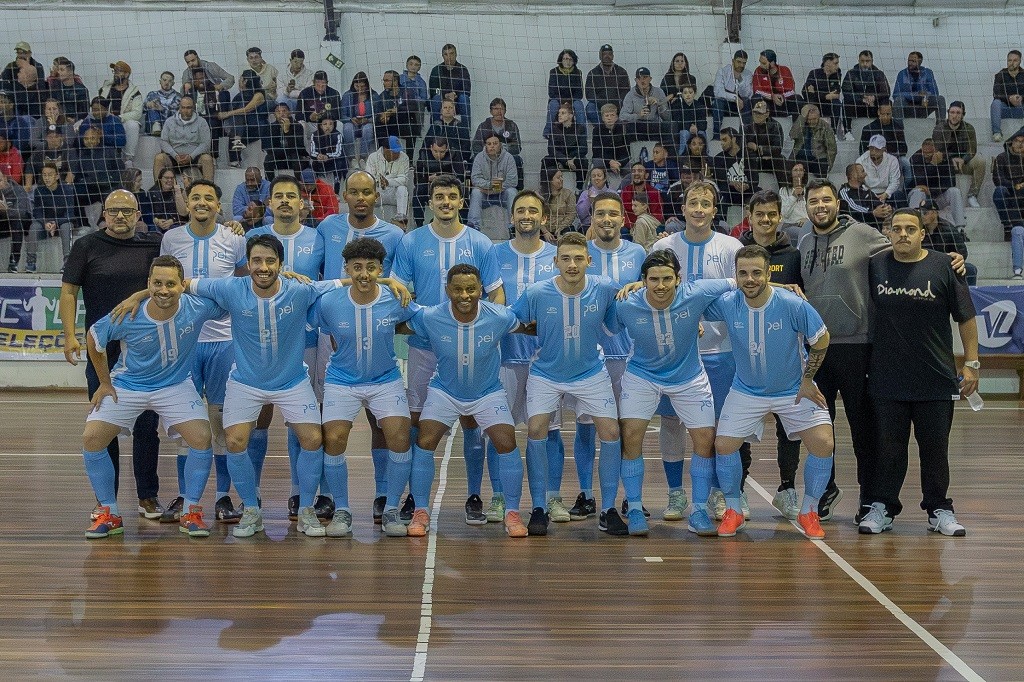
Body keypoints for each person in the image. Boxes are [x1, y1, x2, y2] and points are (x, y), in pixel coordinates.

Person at [185, 233, 341, 538]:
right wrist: (140, 296)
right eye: (257, 260)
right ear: (248, 263)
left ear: (281, 264)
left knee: (312, 439)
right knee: (234, 442)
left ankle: (307, 510)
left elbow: (341, 284)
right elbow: (185, 283)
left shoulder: (299, 289)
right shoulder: (231, 287)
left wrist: (390, 284)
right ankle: (252, 511)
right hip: (246, 382)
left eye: (270, 261)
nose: (263, 267)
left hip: (292, 381)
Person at [81, 255, 225, 539]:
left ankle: (191, 511)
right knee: (92, 438)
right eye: (156, 283)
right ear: (148, 285)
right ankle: (109, 512)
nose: (163, 290)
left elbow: (228, 296)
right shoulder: (129, 314)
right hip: (129, 385)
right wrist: (104, 382)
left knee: (201, 437)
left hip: (175, 386)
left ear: (182, 286)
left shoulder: (197, 307)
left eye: (171, 284)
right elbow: (94, 337)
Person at [391, 174, 504, 519]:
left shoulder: (481, 243)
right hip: (425, 347)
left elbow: (496, 294)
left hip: (469, 349)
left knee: (472, 420)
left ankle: (473, 496)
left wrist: (491, 332)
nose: (445, 202)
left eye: (451, 196)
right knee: (416, 421)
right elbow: (397, 287)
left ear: (460, 201)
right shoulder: (411, 242)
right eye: (439, 196)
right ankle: (414, 496)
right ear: (430, 202)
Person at [859, 209, 978, 537]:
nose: (903, 234)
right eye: (896, 228)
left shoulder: (945, 265)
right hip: (887, 378)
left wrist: (972, 363)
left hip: (935, 379)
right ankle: (882, 507)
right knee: (888, 448)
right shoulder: (876, 265)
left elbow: (966, 318)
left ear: (923, 233)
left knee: (935, 448)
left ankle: (939, 508)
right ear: (889, 232)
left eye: (910, 229)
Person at [704, 244, 834, 538]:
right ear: (735, 275)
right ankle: (734, 511)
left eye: (757, 273)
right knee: (724, 445)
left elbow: (822, 338)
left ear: (767, 273)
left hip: (793, 390)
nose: (750, 279)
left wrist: (807, 379)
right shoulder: (728, 302)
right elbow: (690, 297)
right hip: (747, 389)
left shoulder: (792, 304)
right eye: (743, 273)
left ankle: (809, 511)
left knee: (824, 443)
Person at [401, 264, 529, 537]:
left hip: (487, 393)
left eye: (471, 289)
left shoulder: (499, 316)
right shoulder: (431, 316)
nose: (464, 295)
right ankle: (420, 510)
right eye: (457, 289)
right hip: (445, 391)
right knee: (424, 440)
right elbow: (395, 322)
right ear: (447, 290)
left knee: (507, 442)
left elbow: (531, 325)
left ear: (481, 289)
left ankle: (513, 512)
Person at [60, 189, 164, 520]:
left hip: (146, 349)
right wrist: (69, 335)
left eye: (127, 211)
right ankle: (107, 500)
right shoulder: (86, 246)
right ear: (103, 214)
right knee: (105, 425)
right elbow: (68, 292)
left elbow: (169, 282)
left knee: (148, 425)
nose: (120, 216)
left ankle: (148, 497)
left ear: (138, 215)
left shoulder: (154, 245)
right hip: (101, 350)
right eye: (113, 210)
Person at [613, 248, 733, 535]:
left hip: (688, 376)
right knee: (630, 436)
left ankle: (700, 511)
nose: (661, 285)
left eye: (667, 278)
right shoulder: (625, 304)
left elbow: (742, 282)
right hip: (643, 374)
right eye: (653, 279)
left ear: (679, 279)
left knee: (705, 440)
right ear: (643, 280)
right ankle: (635, 508)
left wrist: (786, 286)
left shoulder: (696, 293)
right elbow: (602, 325)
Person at [512, 231, 624, 537]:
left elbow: (617, 321)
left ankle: (609, 509)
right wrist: (537, 332)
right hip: (546, 373)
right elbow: (512, 321)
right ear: (555, 261)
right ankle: (538, 507)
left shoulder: (604, 288)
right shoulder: (537, 292)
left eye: (578, 258)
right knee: (536, 430)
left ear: (589, 260)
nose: (572, 264)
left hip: (590, 372)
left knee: (611, 432)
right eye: (565, 258)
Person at [649, 179, 745, 521]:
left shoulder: (732, 247)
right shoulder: (663, 247)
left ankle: (719, 494)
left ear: (714, 210)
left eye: (706, 204)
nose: (699, 210)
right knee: (672, 423)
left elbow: (742, 292)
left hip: (720, 352)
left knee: (717, 426)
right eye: (694, 203)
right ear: (684, 208)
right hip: (673, 354)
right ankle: (676, 494)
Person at [315, 170, 407, 521]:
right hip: (335, 327)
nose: (361, 198)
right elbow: (315, 275)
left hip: (378, 324)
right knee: (330, 427)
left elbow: (397, 283)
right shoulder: (326, 228)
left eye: (367, 191)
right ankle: (330, 498)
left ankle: (384, 495)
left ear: (376, 193)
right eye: (354, 192)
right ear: (344, 195)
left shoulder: (395, 235)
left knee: (384, 425)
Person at [798, 178, 891, 522]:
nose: (819, 206)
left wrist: (949, 258)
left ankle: (869, 498)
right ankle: (827, 488)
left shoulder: (863, 234)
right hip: (817, 350)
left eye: (826, 200)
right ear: (806, 206)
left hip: (856, 346)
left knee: (863, 428)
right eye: (813, 201)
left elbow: (902, 253)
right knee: (820, 425)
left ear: (838, 203)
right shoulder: (804, 239)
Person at [311, 237, 417, 537]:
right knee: (333, 438)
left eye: (371, 268)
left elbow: (423, 318)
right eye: (357, 268)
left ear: (381, 269)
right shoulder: (330, 302)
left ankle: (392, 508)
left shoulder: (396, 298)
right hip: (342, 380)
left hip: (385, 379)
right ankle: (342, 509)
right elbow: (308, 303)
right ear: (347, 268)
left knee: (399, 435)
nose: (364, 274)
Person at [154, 179, 247, 523]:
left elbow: (240, 283)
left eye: (209, 197)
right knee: (185, 420)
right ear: (187, 204)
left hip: (224, 341)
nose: (202, 202)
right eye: (196, 197)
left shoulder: (234, 238)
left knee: (221, 419)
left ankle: (223, 497)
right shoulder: (171, 238)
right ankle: (183, 495)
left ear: (219, 205)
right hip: (185, 342)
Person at [556, 193, 645, 526]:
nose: (607, 219)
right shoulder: (580, 254)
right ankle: (586, 494)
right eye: (600, 214)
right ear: (591, 218)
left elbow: (652, 289)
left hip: (629, 353)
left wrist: (639, 283)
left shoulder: (638, 253)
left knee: (625, 429)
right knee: (586, 431)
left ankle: (626, 498)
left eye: (613, 213)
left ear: (624, 219)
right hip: (589, 356)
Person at [247, 175, 332, 521]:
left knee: (307, 419)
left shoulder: (319, 237)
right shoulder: (252, 237)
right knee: (259, 417)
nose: (284, 201)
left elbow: (328, 286)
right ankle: (250, 495)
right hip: (263, 342)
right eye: (277, 196)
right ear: (268, 203)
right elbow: (241, 281)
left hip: (309, 340)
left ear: (303, 203)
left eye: (291, 196)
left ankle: (303, 493)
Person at [488, 191, 562, 524]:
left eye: (533, 210)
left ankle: (550, 498)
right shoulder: (494, 253)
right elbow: (490, 302)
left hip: (548, 360)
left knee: (550, 432)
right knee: (500, 431)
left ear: (544, 218)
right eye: (520, 211)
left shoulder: (559, 256)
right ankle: (499, 498)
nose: (526, 215)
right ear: (512, 217)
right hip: (504, 357)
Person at [737, 190, 806, 517]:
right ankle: (738, 489)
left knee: (789, 427)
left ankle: (787, 488)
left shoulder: (793, 255)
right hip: (744, 356)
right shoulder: (737, 250)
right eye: (760, 214)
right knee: (741, 427)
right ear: (750, 216)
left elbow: (803, 301)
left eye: (772, 214)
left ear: (780, 217)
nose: (766, 220)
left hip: (785, 357)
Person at [933, 101, 985, 209]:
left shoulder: (969, 128)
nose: (954, 115)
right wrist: (950, 159)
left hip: (963, 163)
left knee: (980, 161)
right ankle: (939, 196)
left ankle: (972, 195)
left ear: (963, 115)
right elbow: (938, 149)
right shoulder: (939, 128)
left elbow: (972, 149)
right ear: (948, 113)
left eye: (958, 113)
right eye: (952, 112)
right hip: (945, 164)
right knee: (935, 158)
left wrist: (963, 160)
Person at [26, 161, 74, 272]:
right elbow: (37, 212)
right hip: (45, 223)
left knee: (67, 226)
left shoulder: (67, 190)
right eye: (44, 175)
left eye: (50, 175)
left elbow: (70, 213)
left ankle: (67, 263)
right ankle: (31, 263)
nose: (47, 178)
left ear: (57, 176)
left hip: (62, 222)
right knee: (34, 227)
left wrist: (55, 223)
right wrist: (45, 223)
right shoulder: (39, 191)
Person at [907, 138, 965, 230]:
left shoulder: (945, 159)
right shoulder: (915, 158)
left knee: (955, 191)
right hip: (921, 196)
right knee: (918, 191)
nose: (925, 155)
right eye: (924, 152)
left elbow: (950, 182)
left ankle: (960, 228)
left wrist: (931, 192)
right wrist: (932, 165)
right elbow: (918, 180)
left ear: (936, 151)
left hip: (937, 195)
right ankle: (913, 226)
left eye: (929, 153)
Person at [154, 96, 215, 182]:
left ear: (193, 108)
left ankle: (208, 189)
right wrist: (175, 155)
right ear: (179, 107)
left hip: (194, 158)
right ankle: (158, 190)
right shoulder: (169, 121)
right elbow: (164, 142)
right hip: (174, 158)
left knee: (207, 158)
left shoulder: (202, 122)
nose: (185, 110)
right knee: (159, 158)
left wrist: (191, 156)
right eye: (183, 107)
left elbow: (205, 144)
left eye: (188, 108)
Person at [919, 197, 976, 285]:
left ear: (934, 213)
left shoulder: (949, 229)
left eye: (925, 213)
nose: (922, 216)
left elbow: (962, 252)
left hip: (945, 266)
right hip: (923, 265)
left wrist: (953, 260)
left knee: (970, 269)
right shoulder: (918, 230)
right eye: (920, 213)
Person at [220, 70, 270, 169]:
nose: (239, 81)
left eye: (240, 79)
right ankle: (236, 146)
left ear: (245, 81)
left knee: (238, 119)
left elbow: (247, 109)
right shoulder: (239, 96)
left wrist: (226, 114)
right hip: (241, 127)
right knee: (237, 121)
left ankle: (235, 156)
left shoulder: (258, 94)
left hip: (254, 126)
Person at [97, 61, 143, 167]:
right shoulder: (105, 88)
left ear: (127, 74)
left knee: (133, 125)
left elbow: (137, 113)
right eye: (115, 71)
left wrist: (118, 118)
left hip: (123, 121)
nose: (116, 74)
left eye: (119, 71)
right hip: (106, 121)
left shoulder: (134, 92)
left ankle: (128, 159)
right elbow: (98, 105)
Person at [471, 98, 524, 190]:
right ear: (491, 111)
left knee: (517, 160)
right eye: (496, 109)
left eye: (501, 109)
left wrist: (504, 149)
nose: (499, 112)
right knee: (474, 159)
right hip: (487, 157)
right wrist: (487, 151)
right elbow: (476, 146)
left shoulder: (512, 125)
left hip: (505, 158)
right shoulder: (483, 126)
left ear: (505, 111)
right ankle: (476, 189)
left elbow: (518, 147)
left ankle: (518, 190)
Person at [468, 133, 517, 230]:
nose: (492, 146)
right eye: (489, 144)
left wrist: (494, 189)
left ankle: (513, 227)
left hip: (502, 194)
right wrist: (490, 185)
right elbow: (475, 179)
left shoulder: (508, 157)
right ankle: (473, 226)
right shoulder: (479, 157)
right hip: (485, 195)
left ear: (500, 144)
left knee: (512, 191)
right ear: (485, 145)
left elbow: (513, 181)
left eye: (495, 143)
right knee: (476, 192)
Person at [412, 137, 465, 227]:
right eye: (435, 151)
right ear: (431, 148)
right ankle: (419, 224)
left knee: (463, 192)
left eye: (442, 152)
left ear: (447, 149)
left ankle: (462, 222)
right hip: (429, 186)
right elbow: (416, 179)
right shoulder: (424, 155)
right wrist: (428, 179)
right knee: (417, 191)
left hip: (449, 187)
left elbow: (460, 177)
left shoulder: (454, 155)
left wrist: (443, 178)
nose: (438, 155)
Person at [712, 127, 758, 226]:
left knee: (758, 195)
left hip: (747, 192)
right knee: (720, 196)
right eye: (721, 140)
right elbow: (721, 181)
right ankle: (720, 226)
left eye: (725, 140)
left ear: (734, 139)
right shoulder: (718, 158)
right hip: (729, 193)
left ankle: (754, 226)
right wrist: (732, 183)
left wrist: (747, 185)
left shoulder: (748, 156)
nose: (722, 143)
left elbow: (754, 180)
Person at [619, 67, 673, 146]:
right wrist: (638, 115)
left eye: (645, 77)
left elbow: (668, 118)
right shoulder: (630, 94)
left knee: (669, 127)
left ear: (650, 79)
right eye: (639, 78)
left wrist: (659, 105)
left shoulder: (658, 92)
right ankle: (630, 156)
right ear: (635, 80)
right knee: (628, 129)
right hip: (638, 125)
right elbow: (622, 116)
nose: (642, 80)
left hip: (654, 125)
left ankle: (668, 156)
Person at [365, 135, 411, 226]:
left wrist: (388, 182)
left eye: (398, 151)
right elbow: (369, 179)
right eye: (394, 152)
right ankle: (366, 221)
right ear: (385, 149)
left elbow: (404, 180)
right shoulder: (373, 157)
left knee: (403, 189)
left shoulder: (404, 157)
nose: (398, 154)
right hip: (378, 193)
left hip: (393, 192)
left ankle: (401, 220)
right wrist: (379, 182)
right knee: (367, 191)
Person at [542, 101, 587, 192]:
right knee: (546, 160)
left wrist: (572, 159)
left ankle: (580, 189)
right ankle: (545, 189)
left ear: (571, 115)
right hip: (560, 158)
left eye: (563, 113)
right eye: (559, 113)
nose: (559, 115)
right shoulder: (554, 129)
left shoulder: (580, 128)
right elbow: (551, 150)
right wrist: (566, 160)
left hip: (573, 159)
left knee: (583, 161)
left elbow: (583, 148)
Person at [340, 71, 381, 168]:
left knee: (368, 129)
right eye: (357, 86)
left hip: (367, 122)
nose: (360, 89)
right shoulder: (347, 96)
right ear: (353, 85)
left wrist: (368, 120)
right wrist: (351, 119)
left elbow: (378, 114)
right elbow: (342, 114)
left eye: (362, 86)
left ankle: (363, 157)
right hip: (351, 122)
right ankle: (352, 158)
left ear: (367, 86)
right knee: (347, 129)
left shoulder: (374, 96)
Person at [855, 134, 906, 209]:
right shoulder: (861, 161)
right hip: (868, 193)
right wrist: (871, 194)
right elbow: (859, 182)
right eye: (871, 148)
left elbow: (895, 182)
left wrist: (886, 194)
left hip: (887, 193)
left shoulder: (892, 160)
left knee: (899, 195)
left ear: (884, 149)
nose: (873, 151)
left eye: (877, 149)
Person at [994, 130, 1024, 255]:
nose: (1020, 145)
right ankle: (1007, 227)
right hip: (1008, 190)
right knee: (999, 192)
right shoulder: (1001, 157)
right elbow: (997, 179)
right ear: (1011, 142)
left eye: (1023, 142)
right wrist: (1014, 186)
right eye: (1017, 141)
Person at [711, 50, 753, 140]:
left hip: (740, 105)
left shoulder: (748, 74)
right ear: (733, 61)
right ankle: (716, 135)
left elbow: (748, 94)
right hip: (726, 104)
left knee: (747, 101)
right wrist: (735, 98)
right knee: (718, 102)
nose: (741, 65)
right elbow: (718, 92)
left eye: (744, 63)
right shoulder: (722, 72)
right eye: (739, 62)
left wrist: (740, 80)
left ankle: (746, 135)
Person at [585, 44, 630, 125]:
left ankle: (618, 129)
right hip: (600, 106)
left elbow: (626, 92)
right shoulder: (593, 73)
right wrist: (603, 104)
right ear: (600, 56)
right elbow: (589, 94)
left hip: (617, 105)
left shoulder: (621, 71)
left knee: (628, 106)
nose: (607, 56)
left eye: (609, 54)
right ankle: (602, 129)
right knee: (590, 108)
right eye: (604, 54)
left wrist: (614, 104)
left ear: (613, 56)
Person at [892, 52, 945, 121]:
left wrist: (926, 95)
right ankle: (898, 129)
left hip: (923, 107)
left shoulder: (927, 73)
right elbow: (895, 94)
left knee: (940, 99)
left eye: (913, 61)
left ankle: (941, 128)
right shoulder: (902, 74)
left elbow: (935, 93)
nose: (910, 63)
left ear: (920, 62)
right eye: (909, 60)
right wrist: (916, 95)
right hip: (907, 108)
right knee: (898, 100)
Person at [789, 103, 837, 179]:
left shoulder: (825, 127)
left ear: (819, 116)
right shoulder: (801, 124)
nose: (811, 122)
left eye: (814, 119)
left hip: (818, 158)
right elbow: (793, 135)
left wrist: (829, 164)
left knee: (822, 169)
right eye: (809, 119)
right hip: (800, 157)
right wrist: (802, 117)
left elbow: (832, 148)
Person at [839, 162, 892, 230]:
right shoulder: (844, 192)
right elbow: (853, 208)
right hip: (855, 227)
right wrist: (872, 213)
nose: (865, 174)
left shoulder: (864, 188)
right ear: (854, 175)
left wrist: (885, 208)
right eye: (862, 171)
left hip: (873, 226)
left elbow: (876, 201)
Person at [801, 53, 844, 136]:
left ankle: (833, 133)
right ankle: (807, 132)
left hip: (828, 104)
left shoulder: (837, 73)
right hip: (816, 102)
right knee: (809, 103)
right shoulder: (814, 73)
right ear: (827, 63)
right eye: (835, 63)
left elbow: (836, 92)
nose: (837, 66)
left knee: (837, 103)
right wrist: (825, 95)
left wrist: (816, 92)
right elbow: (805, 92)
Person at [841, 50, 890, 122]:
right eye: (862, 61)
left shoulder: (879, 73)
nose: (865, 63)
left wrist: (874, 97)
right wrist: (862, 98)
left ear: (872, 61)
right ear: (859, 60)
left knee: (887, 102)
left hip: (874, 102)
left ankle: (884, 127)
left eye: (867, 61)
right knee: (846, 102)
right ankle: (848, 130)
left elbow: (886, 92)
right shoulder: (851, 73)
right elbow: (846, 92)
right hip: (858, 102)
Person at [744, 100, 786, 183]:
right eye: (755, 112)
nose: (756, 115)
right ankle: (752, 187)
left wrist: (758, 148)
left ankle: (784, 189)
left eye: (759, 113)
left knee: (780, 159)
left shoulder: (775, 125)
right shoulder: (746, 124)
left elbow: (778, 148)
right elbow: (742, 145)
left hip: (769, 159)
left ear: (767, 114)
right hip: (751, 158)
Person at [0, 42, 46, 117]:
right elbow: (4, 80)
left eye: (23, 53)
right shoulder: (11, 66)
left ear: (29, 54)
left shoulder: (38, 66)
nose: (20, 55)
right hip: (16, 101)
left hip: (33, 102)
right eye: (18, 53)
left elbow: (41, 87)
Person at [264, 102, 307, 179]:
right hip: (278, 158)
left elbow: (299, 148)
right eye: (278, 111)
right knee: (268, 160)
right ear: (274, 114)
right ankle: (270, 185)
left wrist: (287, 131)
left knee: (296, 158)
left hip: (293, 157)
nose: (281, 114)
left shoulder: (297, 126)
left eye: (284, 111)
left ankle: (299, 184)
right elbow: (269, 149)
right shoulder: (270, 127)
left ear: (289, 113)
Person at [546, 50, 586, 133]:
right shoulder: (554, 72)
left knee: (579, 105)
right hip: (557, 100)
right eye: (565, 59)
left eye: (570, 59)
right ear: (561, 60)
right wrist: (563, 103)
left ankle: (582, 132)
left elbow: (579, 93)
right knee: (553, 104)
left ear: (574, 61)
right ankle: (548, 130)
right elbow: (552, 92)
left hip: (572, 101)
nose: (567, 61)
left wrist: (568, 102)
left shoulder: (577, 72)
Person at [752, 49, 798, 120]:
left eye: (764, 63)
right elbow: (756, 90)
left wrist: (782, 96)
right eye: (760, 62)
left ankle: (797, 126)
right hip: (767, 103)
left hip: (783, 102)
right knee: (756, 98)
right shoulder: (758, 71)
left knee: (798, 98)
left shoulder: (785, 70)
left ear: (772, 63)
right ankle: (762, 125)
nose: (760, 65)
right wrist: (772, 96)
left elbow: (792, 90)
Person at [428, 44, 471, 120]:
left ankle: (465, 129)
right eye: (446, 54)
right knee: (436, 98)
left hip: (457, 102)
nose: (449, 57)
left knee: (464, 98)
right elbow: (433, 90)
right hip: (441, 102)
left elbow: (467, 90)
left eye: (451, 53)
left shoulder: (463, 69)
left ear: (456, 54)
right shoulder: (436, 70)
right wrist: (445, 95)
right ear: (442, 56)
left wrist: (455, 94)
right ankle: (436, 127)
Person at [376, 70, 416, 150]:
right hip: (390, 124)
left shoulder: (407, 92)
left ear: (395, 81)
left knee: (411, 126)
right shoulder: (383, 95)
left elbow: (413, 107)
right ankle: (382, 154)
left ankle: (409, 160)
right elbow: (378, 111)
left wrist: (397, 110)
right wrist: (383, 116)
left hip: (404, 123)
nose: (384, 83)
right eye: (383, 80)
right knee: (379, 123)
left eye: (387, 81)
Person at [0, 168, 29, 271]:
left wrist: (6, 210)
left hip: (12, 225)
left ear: (4, 178)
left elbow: (20, 213)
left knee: (17, 223)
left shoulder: (18, 190)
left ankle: (13, 262)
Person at [425, 98, 471, 163]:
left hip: (455, 160)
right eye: (445, 107)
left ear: (454, 111)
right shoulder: (436, 126)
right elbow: (426, 145)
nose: (448, 109)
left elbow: (466, 147)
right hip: (436, 161)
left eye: (450, 107)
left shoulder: (461, 126)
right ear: (441, 111)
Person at [619, 162, 664, 229]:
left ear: (646, 175)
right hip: (628, 228)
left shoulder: (654, 193)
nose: (636, 173)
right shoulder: (625, 191)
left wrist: (642, 225)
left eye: (640, 171)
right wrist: (632, 226)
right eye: (634, 171)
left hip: (648, 227)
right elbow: (622, 213)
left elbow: (658, 215)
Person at [992, 50, 1024, 142]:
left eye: (1015, 60)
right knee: (995, 103)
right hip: (1005, 109)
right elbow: (996, 94)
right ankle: (997, 133)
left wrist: (1021, 98)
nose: (1011, 63)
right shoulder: (1000, 75)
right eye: (1009, 60)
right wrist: (1009, 98)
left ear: (1020, 61)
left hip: (1021, 108)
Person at [591, 103, 629, 176]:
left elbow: (626, 151)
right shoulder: (597, 130)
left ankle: (624, 187)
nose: (609, 118)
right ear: (602, 118)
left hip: (620, 162)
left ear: (617, 117)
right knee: (597, 162)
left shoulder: (624, 129)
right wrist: (610, 161)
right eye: (607, 115)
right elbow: (596, 150)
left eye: (612, 115)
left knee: (631, 168)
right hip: (604, 160)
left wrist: (618, 163)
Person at [661, 52, 698, 128]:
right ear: (673, 63)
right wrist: (672, 96)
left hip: (686, 103)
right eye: (677, 61)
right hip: (670, 104)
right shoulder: (667, 77)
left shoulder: (691, 78)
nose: (679, 63)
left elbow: (691, 92)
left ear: (685, 63)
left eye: (682, 61)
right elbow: (662, 92)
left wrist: (675, 96)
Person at [146, 167, 187, 233]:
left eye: (172, 178)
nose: (169, 180)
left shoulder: (179, 192)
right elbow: (147, 211)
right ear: (160, 179)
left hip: (174, 222)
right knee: (154, 230)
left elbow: (184, 214)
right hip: (157, 223)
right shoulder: (151, 192)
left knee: (174, 230)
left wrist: (172, 221)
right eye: (167, 178)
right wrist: (157, 221)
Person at [308, 115, 346, 186]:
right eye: (325, 124)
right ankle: (316, 185)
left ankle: (336, 188)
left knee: (339, 163)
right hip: (320, 159)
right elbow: (312, 152)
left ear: (334, 125)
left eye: (331, 124)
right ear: (320, 126)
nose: (328, 126)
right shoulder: (314, 135)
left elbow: (339, 153)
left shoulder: (338, 135)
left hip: (334, 160)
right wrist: (318, 156)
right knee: (313, 164)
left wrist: (327, 156)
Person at [48, 57, 89, 122]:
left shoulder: (81, 90)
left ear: (70, 72)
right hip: (58, 120)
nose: (58, 72)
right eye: (58, 70)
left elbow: (84, 111)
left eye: (62, 70)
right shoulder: (55, 88)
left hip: (77, 122)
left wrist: (75, 119)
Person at [541, 168, 577, 240]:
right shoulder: (540, 194)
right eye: (558, 177)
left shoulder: (568, 194)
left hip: (563, 227)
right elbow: (537, 216)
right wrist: (545, 232)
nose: (561, 179)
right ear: (550, 180)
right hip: (544, 229)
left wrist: (560, 228)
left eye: (562, 176)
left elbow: (571, 214)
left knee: (570, 233)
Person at [779, 162, 810, 242]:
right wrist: (793, 196)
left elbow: (811, 209)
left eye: (801, 170)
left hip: (806, 223)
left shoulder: (808, 190)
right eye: (795, 170)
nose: (798, 173)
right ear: (790, 172)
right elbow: (784, 213)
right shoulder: (784, 191)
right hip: (790, 225)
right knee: (804, 233)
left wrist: (807, 219)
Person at [576, 164, 612, 232]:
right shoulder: (585, 194)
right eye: (593, 176)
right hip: (588, 225)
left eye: (599, 175)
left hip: (608, 224)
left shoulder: (612, 193)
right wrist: (588, 201)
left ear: (605, 178)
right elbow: (581, 216)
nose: (596, 178)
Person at [674, 84, 709, 154]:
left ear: (694, 93)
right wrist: (689, 127)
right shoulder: (677, 106)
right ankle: (682, 156)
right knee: (684, 133)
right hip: (684, 130)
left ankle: (706, 155)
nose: (688, 95)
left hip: (697, 130)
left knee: (702, 133)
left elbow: (704, 123)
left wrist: (697, 127)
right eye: (685, 93)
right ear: (682, 94)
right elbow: (677, 123)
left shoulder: (700, 106)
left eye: (690, 92)